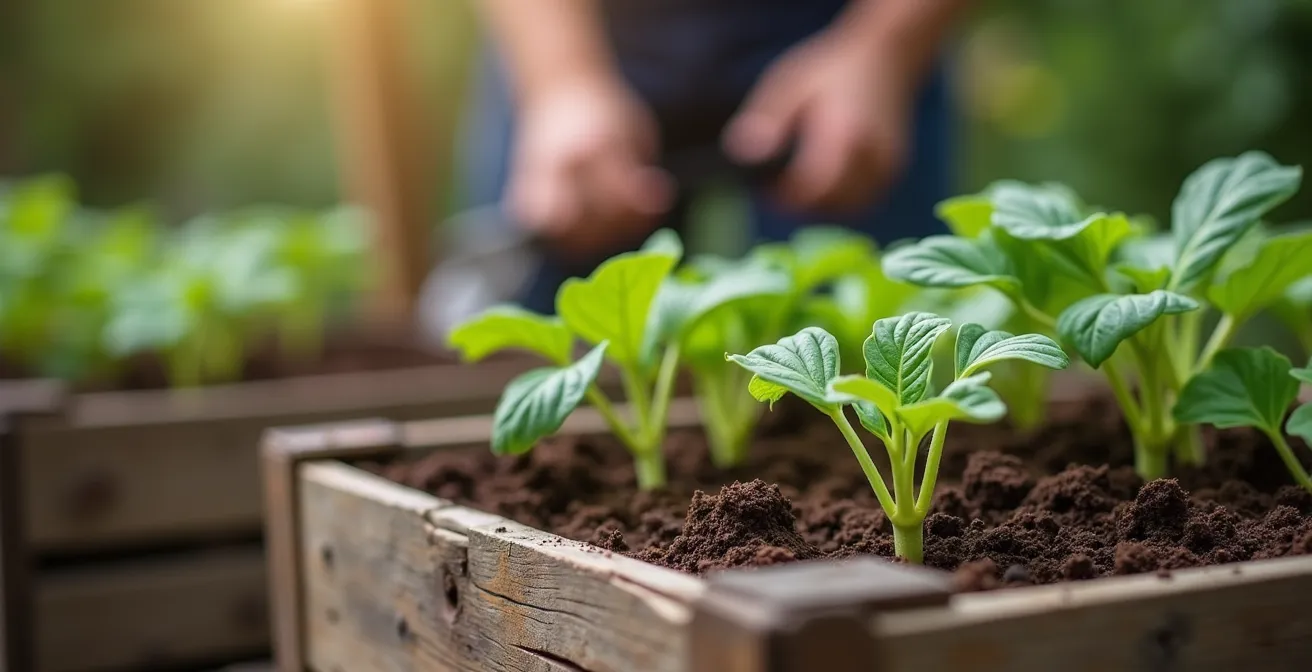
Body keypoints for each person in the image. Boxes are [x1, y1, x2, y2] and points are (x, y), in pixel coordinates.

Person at [456, 0, 970, 314]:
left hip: (844, 22)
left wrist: (885, 45)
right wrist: (561, 78)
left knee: (877, 340)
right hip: (584, 24)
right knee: (539, 332)